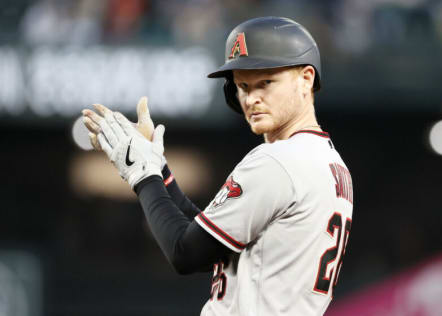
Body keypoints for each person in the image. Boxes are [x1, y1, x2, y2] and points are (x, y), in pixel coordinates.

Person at [82, 16, 353, 316]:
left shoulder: (277, 161)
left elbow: (185, 253)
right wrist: (159, 170)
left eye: (266, 82)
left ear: (306, 79)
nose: (252, 98)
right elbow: (211, 242)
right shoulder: (331, 163)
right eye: (242, 86)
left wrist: (142, 175)